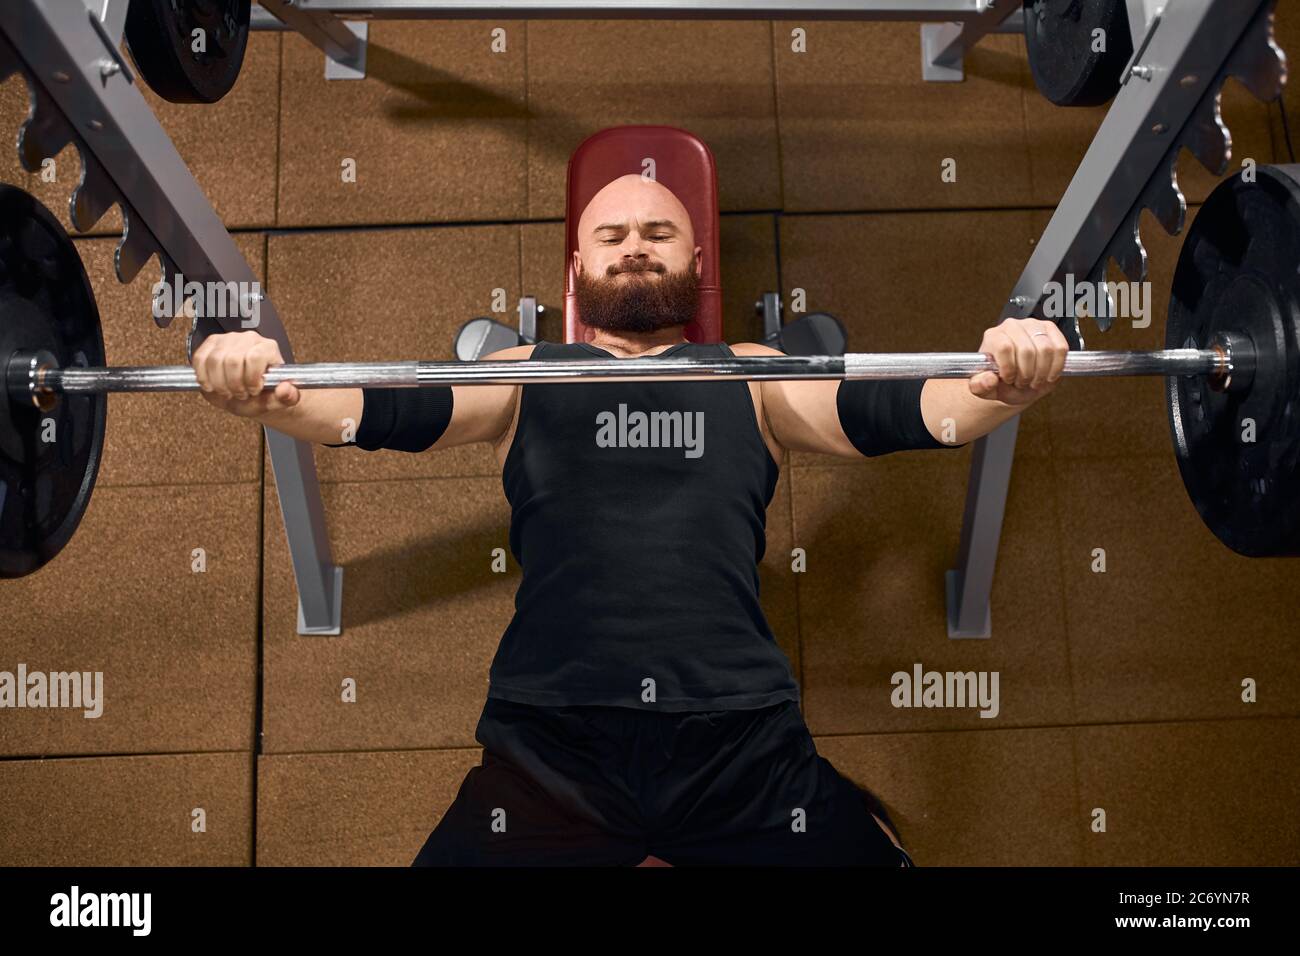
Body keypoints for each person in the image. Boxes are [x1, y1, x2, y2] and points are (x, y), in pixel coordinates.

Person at [192, 173, 1068, 866]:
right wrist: (270, 389)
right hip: (551, 753)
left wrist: (1003, 383)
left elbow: (906, 416)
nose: (635, 248)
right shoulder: (526, 369)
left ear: (696, 264)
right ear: (579, 273)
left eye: (658, 234)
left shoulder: (752, 371)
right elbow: (384, 411)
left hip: (740, 745)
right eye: (611, 237)